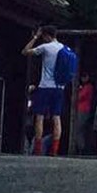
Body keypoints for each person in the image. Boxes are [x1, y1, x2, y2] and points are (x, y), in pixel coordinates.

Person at [21, 24, 66, 156]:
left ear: (46, 36)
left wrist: (35, 37)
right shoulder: (64, 48)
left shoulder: (45, 47)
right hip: (59, 87)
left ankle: (38, 149)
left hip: (45, 86)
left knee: (39, 116)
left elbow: (25, 51)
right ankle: (54, 149)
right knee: (56, 117)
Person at [74, 71, 95, 155]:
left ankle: (81, 148)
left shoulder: (88, 87)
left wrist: (79, 90)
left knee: (79, 129)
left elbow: (79, 96)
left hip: (83, 109)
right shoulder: (86, 87)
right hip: (83, 109)